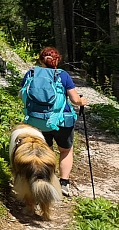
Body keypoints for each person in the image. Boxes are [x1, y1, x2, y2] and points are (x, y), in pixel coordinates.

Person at [21, 46, 88, 197]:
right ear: (57, 61)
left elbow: (23, 95)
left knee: (46, 150)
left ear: (40, 60)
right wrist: (82, 101)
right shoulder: (62, 75)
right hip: (61, 122)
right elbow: (75, 99)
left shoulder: (31, 73)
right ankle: (64, 183)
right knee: (65, 150)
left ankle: (48, 179)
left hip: (37, 121)